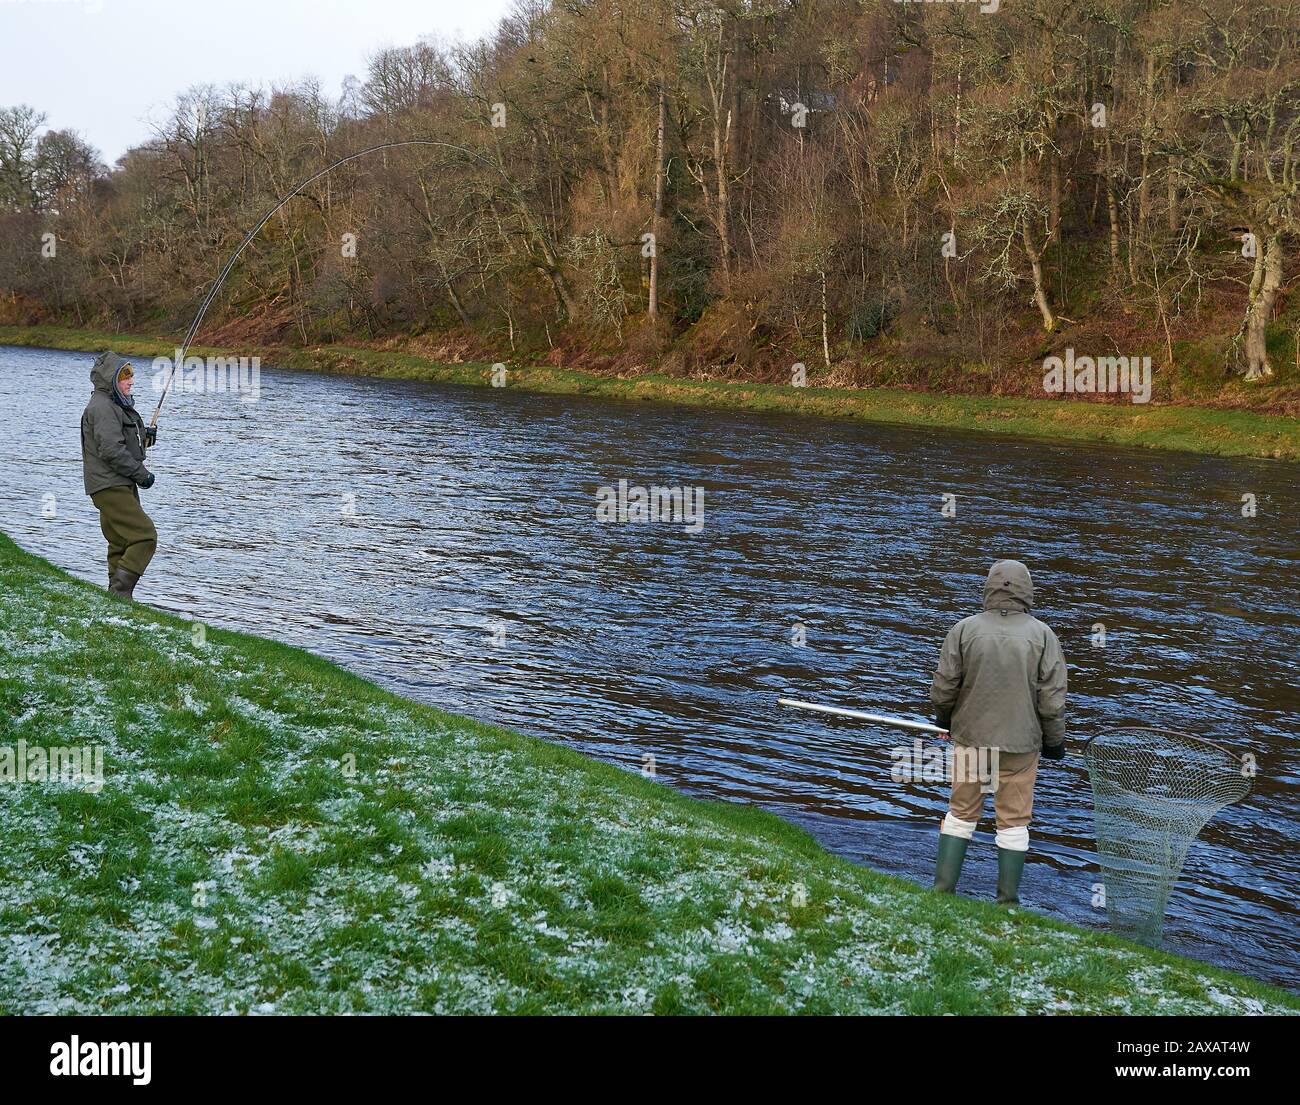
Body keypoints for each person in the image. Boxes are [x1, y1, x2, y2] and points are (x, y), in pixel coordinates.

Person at [929, 559, 1067, 904]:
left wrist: (945, 722)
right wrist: (1054, 743)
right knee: (1014, 820)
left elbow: (944, 687)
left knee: (961, 812)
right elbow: (1051, 701)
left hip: (972, 739)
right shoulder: (1043, 635)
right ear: (1027, 591)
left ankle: (942, 893)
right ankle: (1007, 903)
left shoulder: (963, 629)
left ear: (989, 587)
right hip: (1021, 746)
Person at [81, 351, 157, 600]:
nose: (131, 380)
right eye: (125, 375)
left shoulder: (112, 404)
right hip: (110, 484)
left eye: (131, 374)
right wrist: (141, 475)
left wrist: (145, 436)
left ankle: (115, 601)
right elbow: (111, 450)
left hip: (115, 483)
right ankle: (121, 591)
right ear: (111, 378)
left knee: (119, 542)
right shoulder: (102, 407)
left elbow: (119, 442)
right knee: (145, 536)